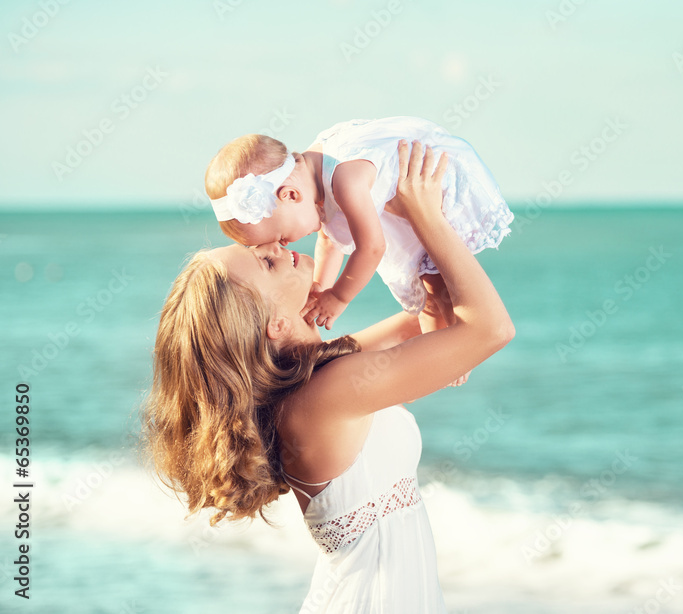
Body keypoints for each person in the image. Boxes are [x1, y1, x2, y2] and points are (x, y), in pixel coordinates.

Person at [144, 141, 514, 613]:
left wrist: (400, 219)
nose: (279, 246)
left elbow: (427, 322)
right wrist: (424, 215)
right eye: (266, 260)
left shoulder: (320, 377)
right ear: (274, 324)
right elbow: (491, 329)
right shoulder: (326, 395)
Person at [204, 117, 513, 344]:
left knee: (433, 279)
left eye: (281, 237)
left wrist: (338, 297)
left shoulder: (345, 180)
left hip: (432, 176)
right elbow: (330, 241)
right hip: (401, 201)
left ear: (289, 195)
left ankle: (450, 343)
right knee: (425, 280)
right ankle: (442, 341)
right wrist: (317, 289)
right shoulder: (314, 181)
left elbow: (372, 247)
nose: (284, 246)